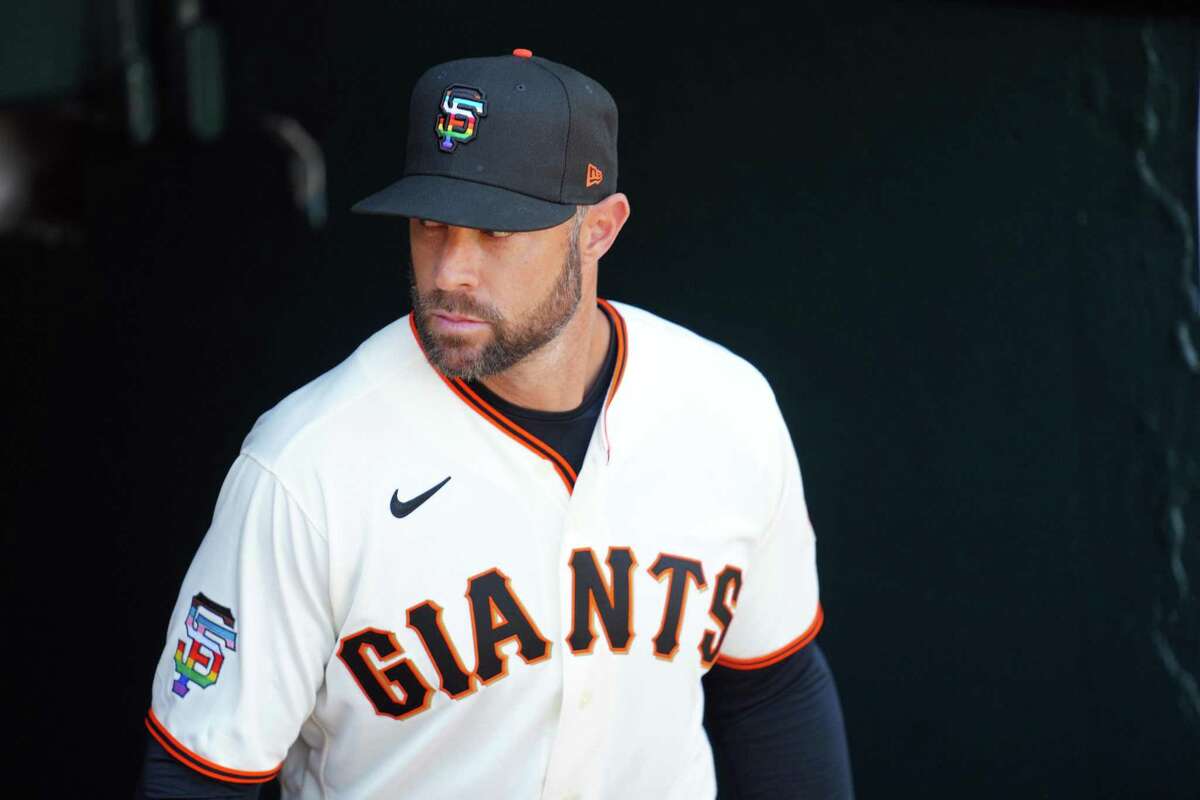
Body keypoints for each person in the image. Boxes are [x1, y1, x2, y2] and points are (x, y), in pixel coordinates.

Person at [136, 50, 853, 799]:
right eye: (430, 223)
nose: (449, 270)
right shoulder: (305, 467)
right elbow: (199, 776)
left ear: (598, 230)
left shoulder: (726, 410)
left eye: (497, 232)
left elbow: (772, 690)